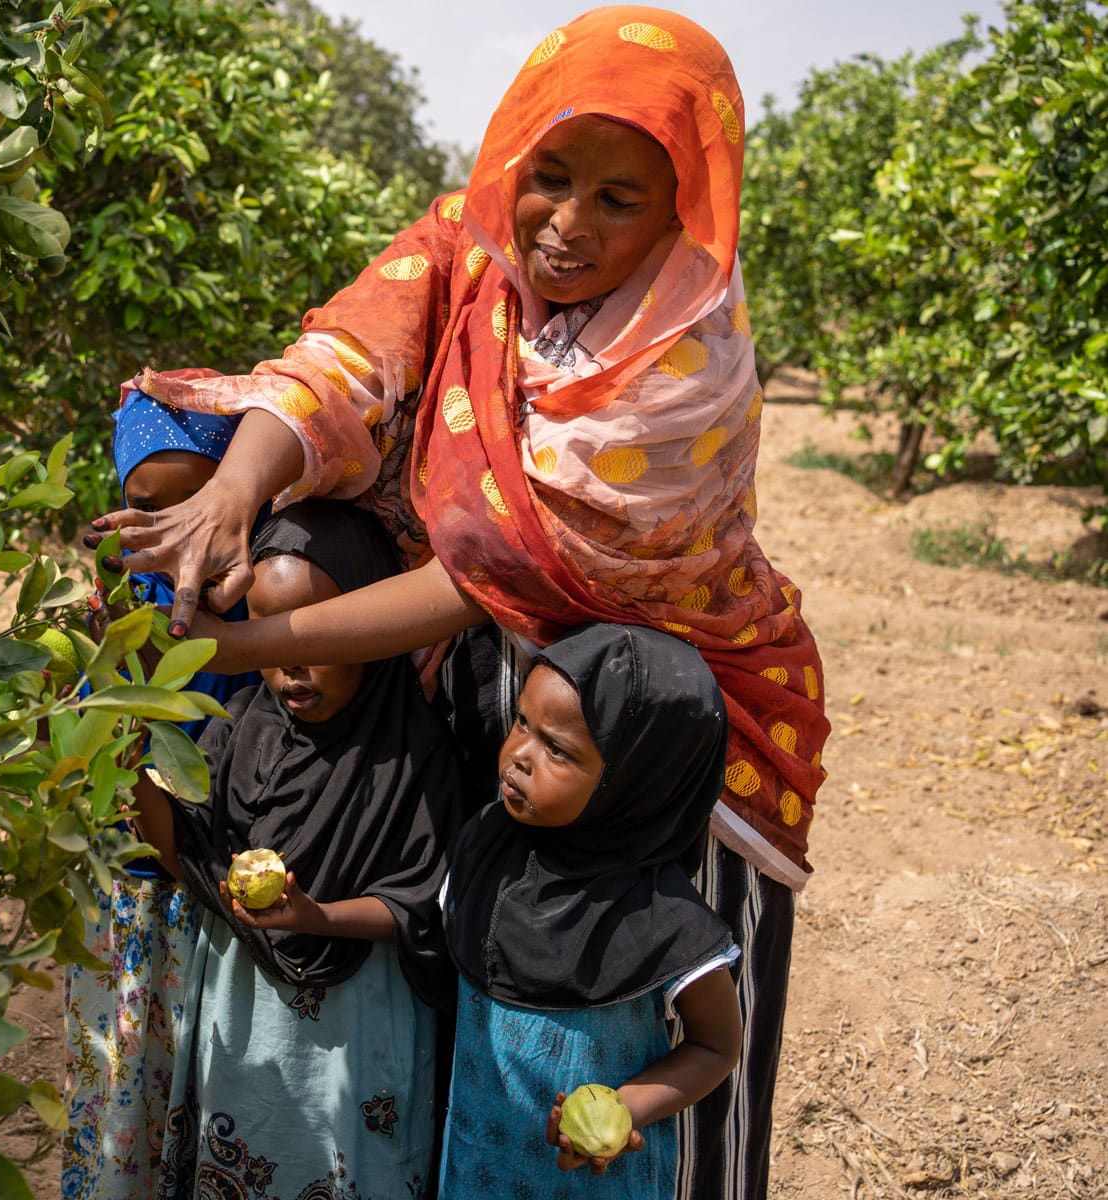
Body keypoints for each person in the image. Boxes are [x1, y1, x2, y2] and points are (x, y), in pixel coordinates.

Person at [86, 8, 826, 1197]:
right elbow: (346, 358)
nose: (566, 223)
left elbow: (478, 574)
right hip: (514, 698)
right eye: (550, 175)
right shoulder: (466, 251)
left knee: (644, 1015)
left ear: (683, 205)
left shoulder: (682, 368)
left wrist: (250, 638)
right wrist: (233, 490)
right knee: (491, 1009)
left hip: (652, 732)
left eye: (620, 199)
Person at [129, 501, 459, 1200]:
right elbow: (182, 851)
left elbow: (422, 902)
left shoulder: (414, 754)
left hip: (360, 1029)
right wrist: (123, 766)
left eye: (320, 637)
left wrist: (319, 918)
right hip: (243, 1019)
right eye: (270, 642)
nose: (292, 668)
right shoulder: (241, 728)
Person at [441, 623, 741, 1197]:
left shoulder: (664, 920)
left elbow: (716, 1045)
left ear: (634, 784)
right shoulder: (485, 847)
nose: (520, 756)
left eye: (557, 749)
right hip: (478, 1160)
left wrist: (625, 1109)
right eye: (522, 723)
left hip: (594, 1181)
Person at [62, 392, 261, 1200]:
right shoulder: (117, 623)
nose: (175, 532)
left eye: (198, 504)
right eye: (148, 509)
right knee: (123, 1102)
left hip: (223, 905)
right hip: (130, 907)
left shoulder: (276, 616)